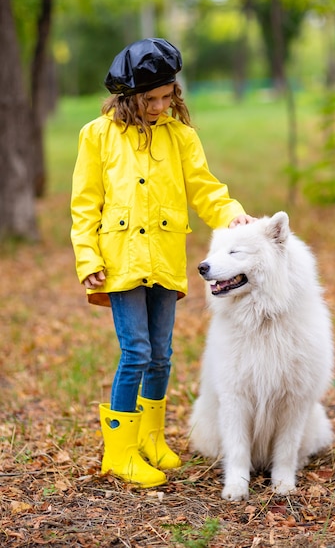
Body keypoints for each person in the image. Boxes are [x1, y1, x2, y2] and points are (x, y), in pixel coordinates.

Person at [70, 38, 255, 488]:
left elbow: (204, 188)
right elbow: (84, 202)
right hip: (120, 261)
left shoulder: (181, 136)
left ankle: (151, 438)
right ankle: (119, 452)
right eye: (150, 99)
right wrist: (88, 257)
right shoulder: (97, 135)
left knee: (162, 356)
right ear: (127, 97)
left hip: (165, 255)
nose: (160, 106)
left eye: (167, 95)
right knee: (136, 352)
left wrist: (231, 215)